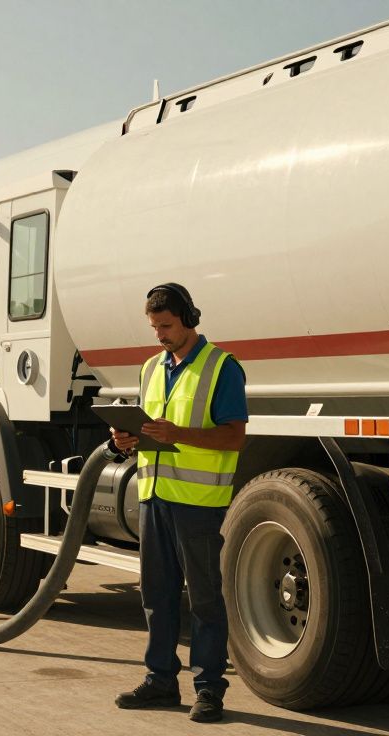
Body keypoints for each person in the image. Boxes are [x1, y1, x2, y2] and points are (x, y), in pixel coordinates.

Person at [109, 283, 247, 723]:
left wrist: (179, 435)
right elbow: (150, 432)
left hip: (198, 503)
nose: (160, 335)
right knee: (157, 596)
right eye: (154, 327)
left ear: (189, 318)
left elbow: (234, 435)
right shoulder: (151, 368)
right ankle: (161, 682)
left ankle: (209, 691)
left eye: (166, 326)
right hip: (153, 496)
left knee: (204, 599)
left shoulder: (222, 367)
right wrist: (126, 441)